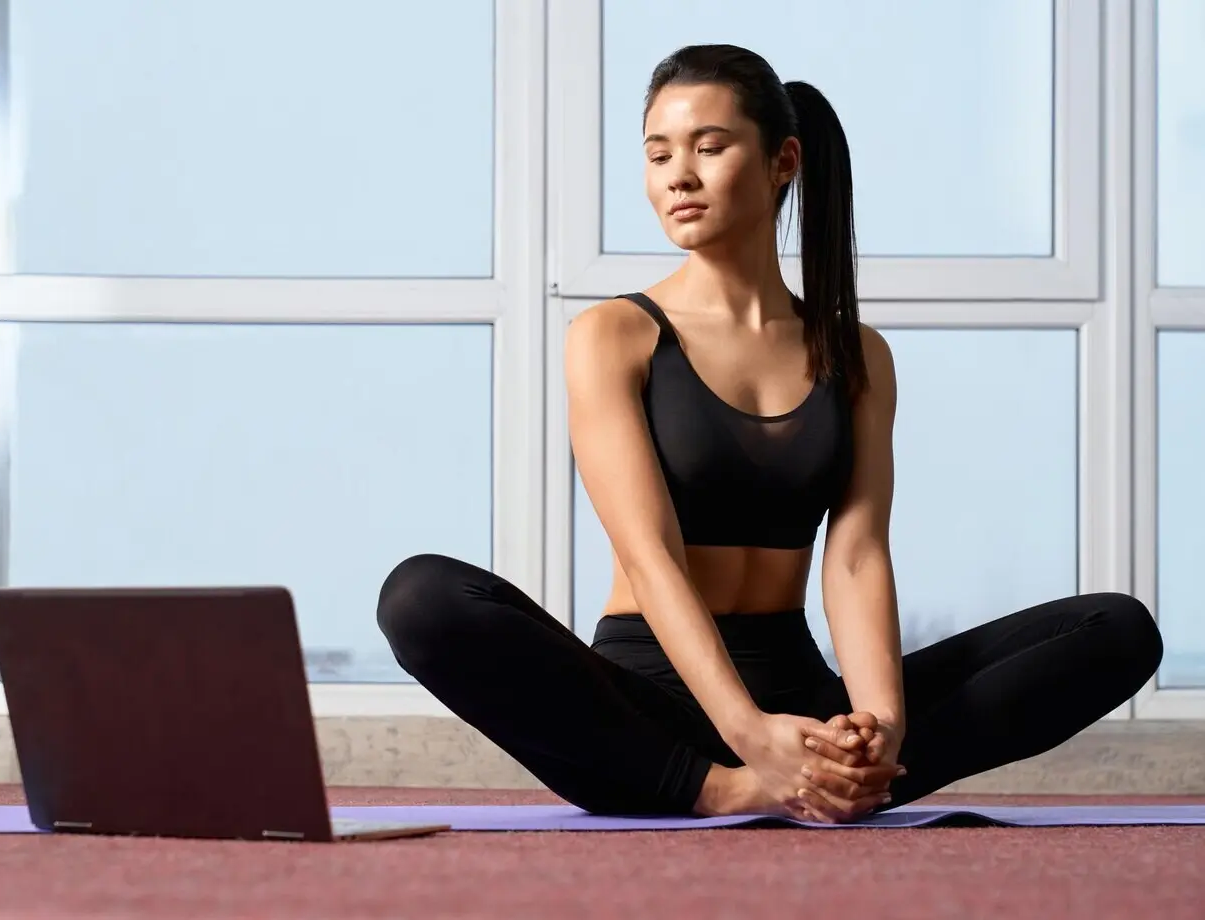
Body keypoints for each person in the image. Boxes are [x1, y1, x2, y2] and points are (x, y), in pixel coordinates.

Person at [375, 44, 1163, 822]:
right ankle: (722, 792)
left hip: (804, 703)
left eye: (708, 147)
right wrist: (750, 745)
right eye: (657, 155)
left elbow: (855, 555)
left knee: (1115, 630)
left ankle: (848, 777)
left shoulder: (854, 353)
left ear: (782, 160)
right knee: (423, 597)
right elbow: (651, 560)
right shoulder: (613, 334)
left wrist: (878, 725)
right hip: (649, 721)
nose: (677, 174)